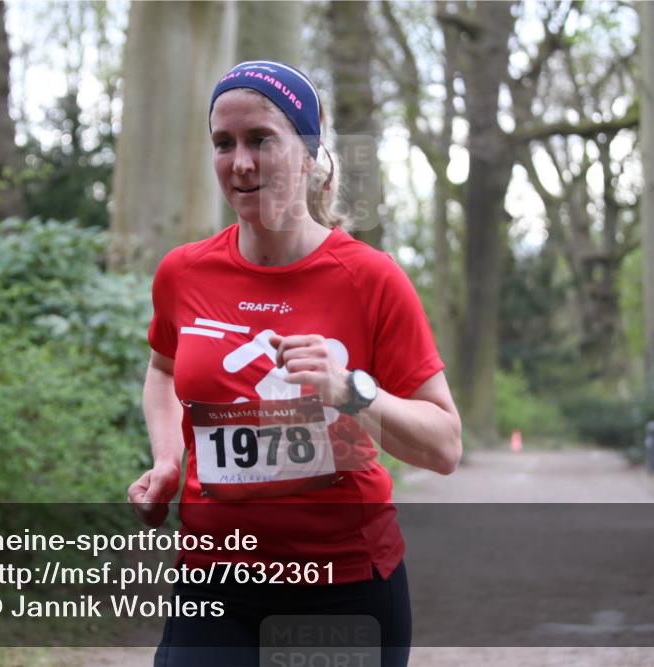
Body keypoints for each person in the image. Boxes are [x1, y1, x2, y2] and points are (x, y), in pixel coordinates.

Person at [127, 59, 462, 667]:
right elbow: (163, 370)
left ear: (310, 154)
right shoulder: (184, 272)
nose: (241, 162)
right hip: (214, 583)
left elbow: (444, 447)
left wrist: (350, 392)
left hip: (341, 589)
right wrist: (168, 460)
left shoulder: (370, 279)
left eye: (261, 139)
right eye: (223, 144)